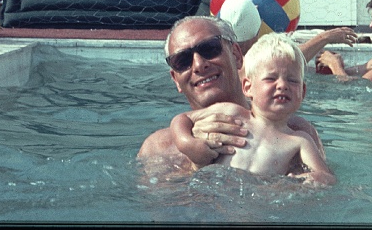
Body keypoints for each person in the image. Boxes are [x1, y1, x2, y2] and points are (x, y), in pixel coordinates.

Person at [137, 16, 325, 172]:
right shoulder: (158, 147)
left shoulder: (296, 133)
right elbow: (159, 209)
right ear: (175, 79)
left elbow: (314, 199)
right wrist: (193, 163)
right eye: (182, 60)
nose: (199, 65)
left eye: (209, 49)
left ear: (236, 55)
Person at [169, 33, 336, 185]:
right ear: (248, 87)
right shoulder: (231, 113)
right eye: (271, 78)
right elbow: (183, 119)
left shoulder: (300, 141)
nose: (283, 86)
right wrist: (187, 144)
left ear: (303, 92)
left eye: (292, 81)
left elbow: (327, 177)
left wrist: (312, 180)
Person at [218, 0, 359, 65]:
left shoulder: (219, 56)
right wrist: (325, 37)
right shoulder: (257, 63)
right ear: (259, 24)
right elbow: (293, 58)